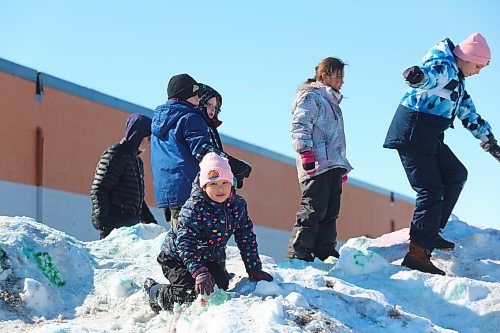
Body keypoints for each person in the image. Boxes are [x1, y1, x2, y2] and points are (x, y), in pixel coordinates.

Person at [383, 33, 500, 275]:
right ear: (467, 58)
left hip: (429, 135)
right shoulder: (444, 67)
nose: (478, 71)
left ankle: (431, 232)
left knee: (456, 174)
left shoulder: (458, 81)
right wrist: (418, 77)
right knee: (430, 189)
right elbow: (429, 76)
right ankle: (417, 254)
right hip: (412, 130)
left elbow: (469, 114)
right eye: (478, 66)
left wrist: (490, 143)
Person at [143, 152, 272, 313]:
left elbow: (246, 237)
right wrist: (198, 271)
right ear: (204, 185)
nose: (220, 188)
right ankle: (155, 292)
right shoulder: (194, 207)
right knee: (187, 294)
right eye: (213, 183)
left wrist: (254, 268)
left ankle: (205, 275)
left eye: (225, 182)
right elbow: (185, 244)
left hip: (209, 257)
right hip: (177, 258)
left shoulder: (237, 206)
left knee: (219, 288)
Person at [285, 57, 353, 262]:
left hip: (331, 165)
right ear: (324, 76)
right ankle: (298, 253)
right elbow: (300, 125)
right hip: (315, 164)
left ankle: (325, 251)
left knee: (331, 211)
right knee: (313, 209)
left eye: (343, 77)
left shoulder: (332, 102)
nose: (342, 81)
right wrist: (305, 152)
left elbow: (335, 138)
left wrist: (339, 166)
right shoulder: (311, 97)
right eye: (338, 76)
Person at [151, 74, 225, 227]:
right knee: (194, 242)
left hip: (169, 190)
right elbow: (201, 150)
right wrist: (227, 164)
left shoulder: (161, 120)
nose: (199, 99)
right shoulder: (190, 117)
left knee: (179, 238)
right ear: (185, 95)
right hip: (189, 187)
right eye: (196, 95)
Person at [91, 113, 157, 239]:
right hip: (115, 228)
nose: (150, 142)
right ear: (138, 135)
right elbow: (99, 189)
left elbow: (137, 201)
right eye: (148, 138)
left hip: (131, 228)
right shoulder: (116, 155)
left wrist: (152, 224)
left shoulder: (137, 162)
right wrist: (105, 226)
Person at [198, 83, 252, 189]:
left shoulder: (210, 127)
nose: (213, 109)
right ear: (199, 102)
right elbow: (205, 152)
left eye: (215, 106)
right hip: (199, 183)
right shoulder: (198, 124)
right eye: (208, 104)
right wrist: (230, 164)